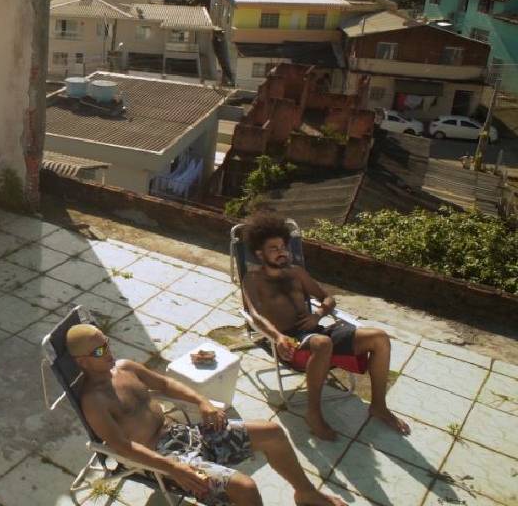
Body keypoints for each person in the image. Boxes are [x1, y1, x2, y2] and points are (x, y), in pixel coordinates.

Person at [67, 323, 346, 506]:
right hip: (166, 460)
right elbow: (123, 447)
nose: (109, 352)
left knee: (271, 431)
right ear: (82, 361)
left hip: (183, 433)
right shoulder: (94, 401)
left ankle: (306, 493)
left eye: (107, 342)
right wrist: (172, 468)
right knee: (245, 487)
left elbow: (164, 384)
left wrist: (202, 401)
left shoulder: (125, 368)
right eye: (99, 350)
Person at [241, 212, 410, 441]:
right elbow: (256, 314)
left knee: (379, 337)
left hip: (317, 332)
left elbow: (327, 299)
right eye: (274, 248)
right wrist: (278, 337)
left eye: (283, 246)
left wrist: (318, 314)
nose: (282, 251)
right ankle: (314, 414)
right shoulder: (252, 279)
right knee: (322, 343)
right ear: (260, 253)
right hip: (289, 342)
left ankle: (378, 406)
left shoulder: (297, 273)